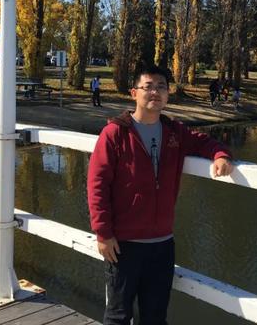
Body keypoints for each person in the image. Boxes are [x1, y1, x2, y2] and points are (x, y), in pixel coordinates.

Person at [87, 64, 234, 325]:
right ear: (134, 93)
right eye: (148, 86)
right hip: (123, 245)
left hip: (162, 245)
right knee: (118, 316)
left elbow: (204, 142)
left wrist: (220, 155)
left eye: (161, 87)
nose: (155, 92)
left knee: (155, 317)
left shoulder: (174, 132)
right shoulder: (115, 133)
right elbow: (97, 185)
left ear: (167, 94)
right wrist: (103, 234)